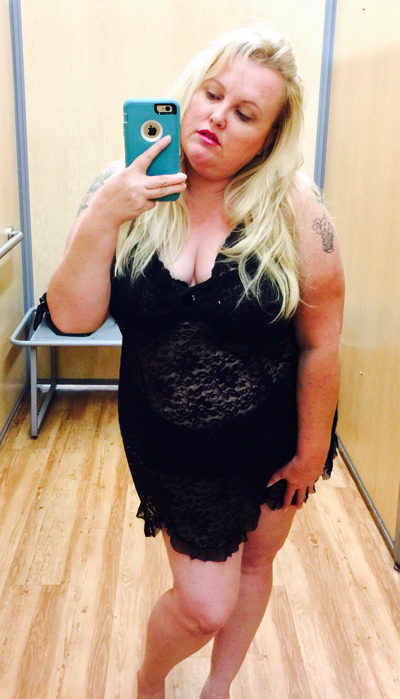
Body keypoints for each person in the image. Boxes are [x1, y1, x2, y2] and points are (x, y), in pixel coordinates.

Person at [47, 24, 344, 699]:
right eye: (212, 94)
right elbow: (71, 317)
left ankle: (219, 686)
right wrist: (104, 217)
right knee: (203, 604)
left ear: (267, 139)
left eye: (245, 113)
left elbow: (321, 339)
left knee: (257, 562)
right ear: (189, 93)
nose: (217, 117)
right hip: (172, 442)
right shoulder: (121, 190)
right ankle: (149, 679)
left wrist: (311, 448)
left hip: (274, 433)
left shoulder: (296, 207)